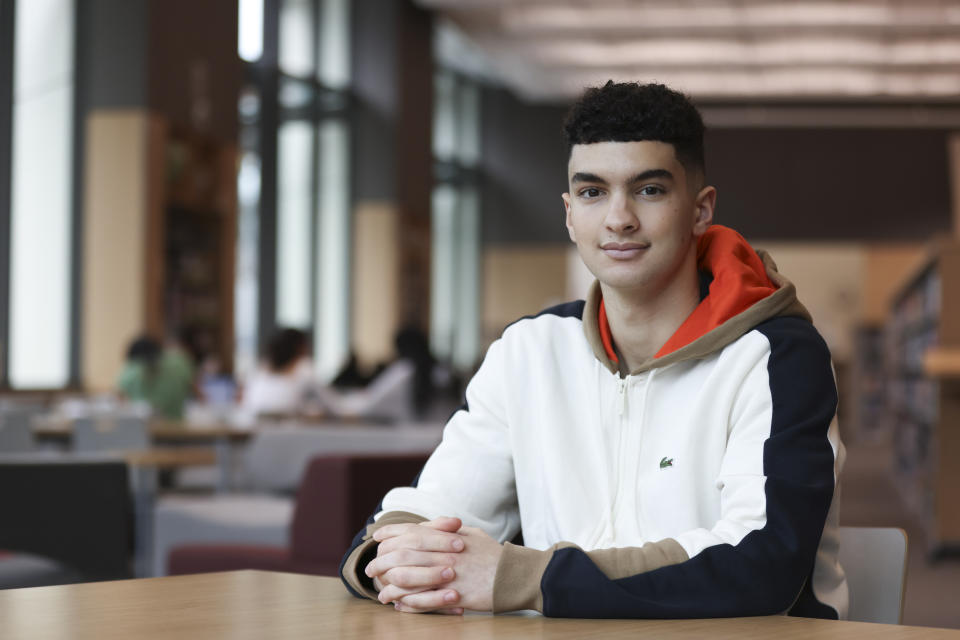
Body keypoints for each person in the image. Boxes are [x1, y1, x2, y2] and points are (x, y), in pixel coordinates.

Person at [340, 81, 847, 619]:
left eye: (649, 190)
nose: (618, 218)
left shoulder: (776, 355)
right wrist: (392, 558)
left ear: (700, 210)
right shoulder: (528, 351)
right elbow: (423, 511)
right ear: (568, 213)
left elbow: (762, 564)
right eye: (592, 192)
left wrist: (525, 578)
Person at [240, 328, 317, 417]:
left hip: (254, 426)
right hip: (290, 427)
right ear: (300, 348)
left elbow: (245, 403)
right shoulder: (304, 368)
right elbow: (331, 402)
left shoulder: (259, 371)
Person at [117, 334, 195, 420]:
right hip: (171, 425)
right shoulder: (179, 363)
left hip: (156, 426)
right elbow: (195, 389)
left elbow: (120, 396)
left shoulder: (132, 368)